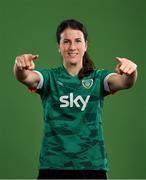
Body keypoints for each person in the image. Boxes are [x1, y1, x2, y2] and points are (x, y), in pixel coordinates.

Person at [14, 19, 137, 179]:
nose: (72, 47)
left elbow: (125, 82)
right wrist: (19, 66)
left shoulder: (98, 78)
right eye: (66, 41)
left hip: (92, 166)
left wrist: (132, 72)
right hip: (53, 165)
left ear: (85, 45)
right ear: (59, 46)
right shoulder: (49, 78)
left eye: (78, 41)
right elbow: (26, 77)